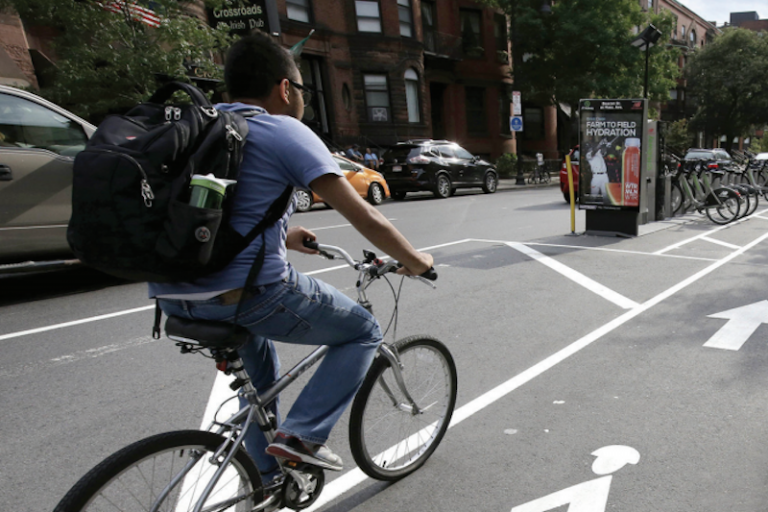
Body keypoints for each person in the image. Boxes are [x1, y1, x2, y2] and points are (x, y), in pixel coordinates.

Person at [148, 32, 433, 488]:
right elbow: (365, 216)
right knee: (362, 331)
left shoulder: (200, 127)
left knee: (259, 377)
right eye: (301, 90)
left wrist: (283, 235)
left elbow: (211, 212)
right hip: (247, 297)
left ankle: (268, 482)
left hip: (170, 296)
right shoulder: (282, 130)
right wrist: (416, 261)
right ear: (285, 89)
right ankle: (301, 438)